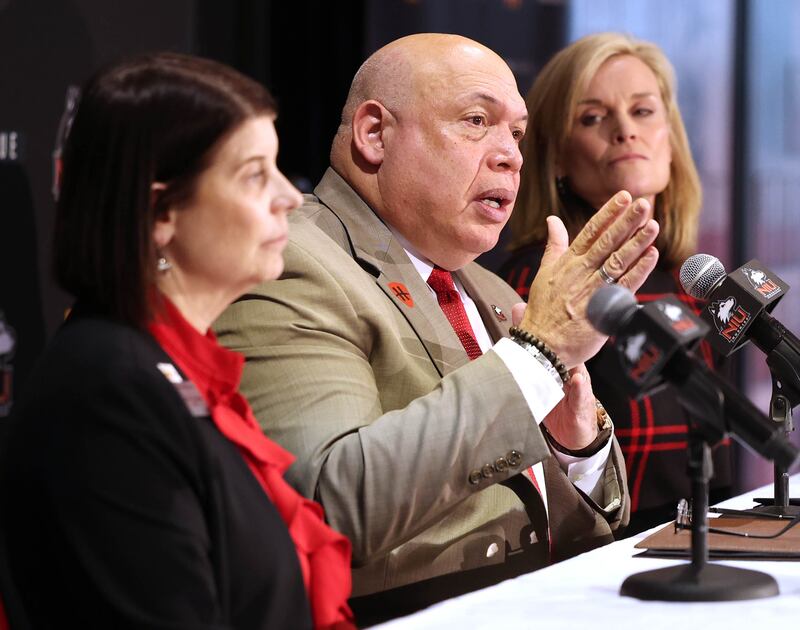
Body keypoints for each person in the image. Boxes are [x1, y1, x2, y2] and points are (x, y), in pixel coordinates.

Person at [215, 33, 659, 621]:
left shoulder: (495, 292)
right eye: (477, 121)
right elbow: (326, 506)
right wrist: (538, 354)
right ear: (375, 135)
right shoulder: (289, 260)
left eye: (518, 134)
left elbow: (596, 524)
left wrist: (578, 447)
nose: (510, 155)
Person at [0, 52, 354, 629]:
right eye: (254, 175)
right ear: (160, 210)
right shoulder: (107, 392)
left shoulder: (167, 369)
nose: (289, 196)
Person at [501, 32, 731, 535]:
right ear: (557, 156)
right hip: (604, 553)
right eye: (592, 117)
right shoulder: (533, 279)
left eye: (643, 111)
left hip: (714, 539)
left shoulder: (697, 277)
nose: (625, 130)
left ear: (670, 139)